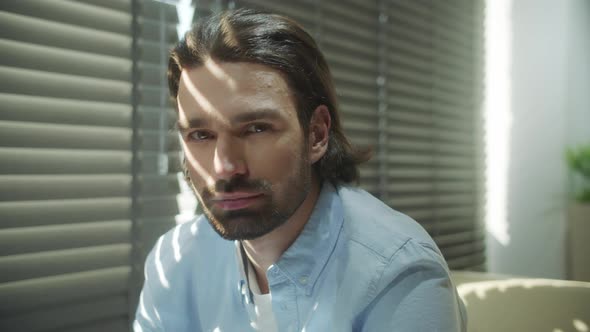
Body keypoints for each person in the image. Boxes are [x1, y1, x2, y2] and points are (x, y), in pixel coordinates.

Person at [134, 8, 467, 332]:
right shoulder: (175, 262)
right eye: (201, 135)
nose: (224, 167)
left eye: (256, 129)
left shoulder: (395, 273)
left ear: (317, 134)